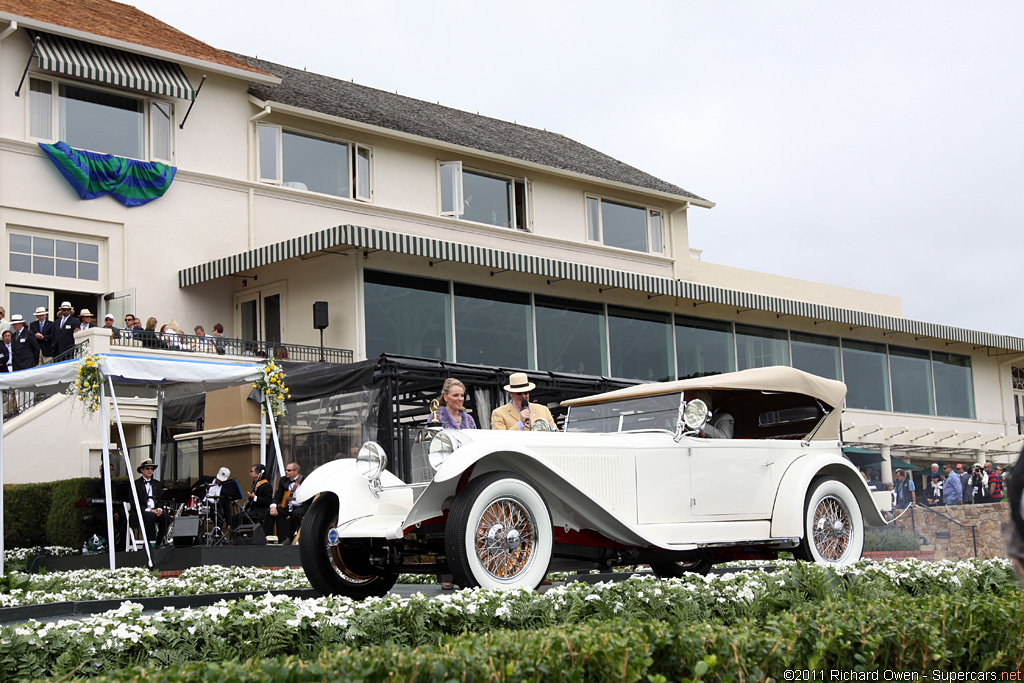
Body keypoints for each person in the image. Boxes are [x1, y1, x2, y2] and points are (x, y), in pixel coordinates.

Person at [490, 372, 558, 431]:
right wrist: (521, 423)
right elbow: (501, 439)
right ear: (511, 394)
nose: (523, 396)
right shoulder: (499, 413)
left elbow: (556, 433)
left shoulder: (543, 410)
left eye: (526, 393)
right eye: (519, 393)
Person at [133, 459, 168, 546]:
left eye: (151, 469)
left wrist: (159, 509)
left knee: (166, 517)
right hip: (143, 511)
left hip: (155, 511)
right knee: (151, 516)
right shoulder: (136, 484)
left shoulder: (157, 484)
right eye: (147, 468)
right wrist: (150, 510)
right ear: (142, 470)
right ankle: (149, 543)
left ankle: (158, 542)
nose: (150, 471)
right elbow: (134, 502)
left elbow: (160, 500)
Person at [267, 462, 304, 544]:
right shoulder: (283, 480)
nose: (286, 472)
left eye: (289, 470)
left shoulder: (304, 480)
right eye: (286, 470)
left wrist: (293, 499)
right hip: (288, 506)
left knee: (296, 514)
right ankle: (270, 537)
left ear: (296, 471)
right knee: (272, 512)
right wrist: (273, 506)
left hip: (301, 506)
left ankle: (290, 536)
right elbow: (278, 495)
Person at [234, 463, 273, 529]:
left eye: (251, 471)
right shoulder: (254, 484)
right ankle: (236, 536)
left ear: (258, 474)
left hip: (260, 511)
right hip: (252, 510)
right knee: (235, 517)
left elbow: (267, 501)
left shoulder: (267, 485)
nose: (250, 473)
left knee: (240, 518)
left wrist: (255, 497)